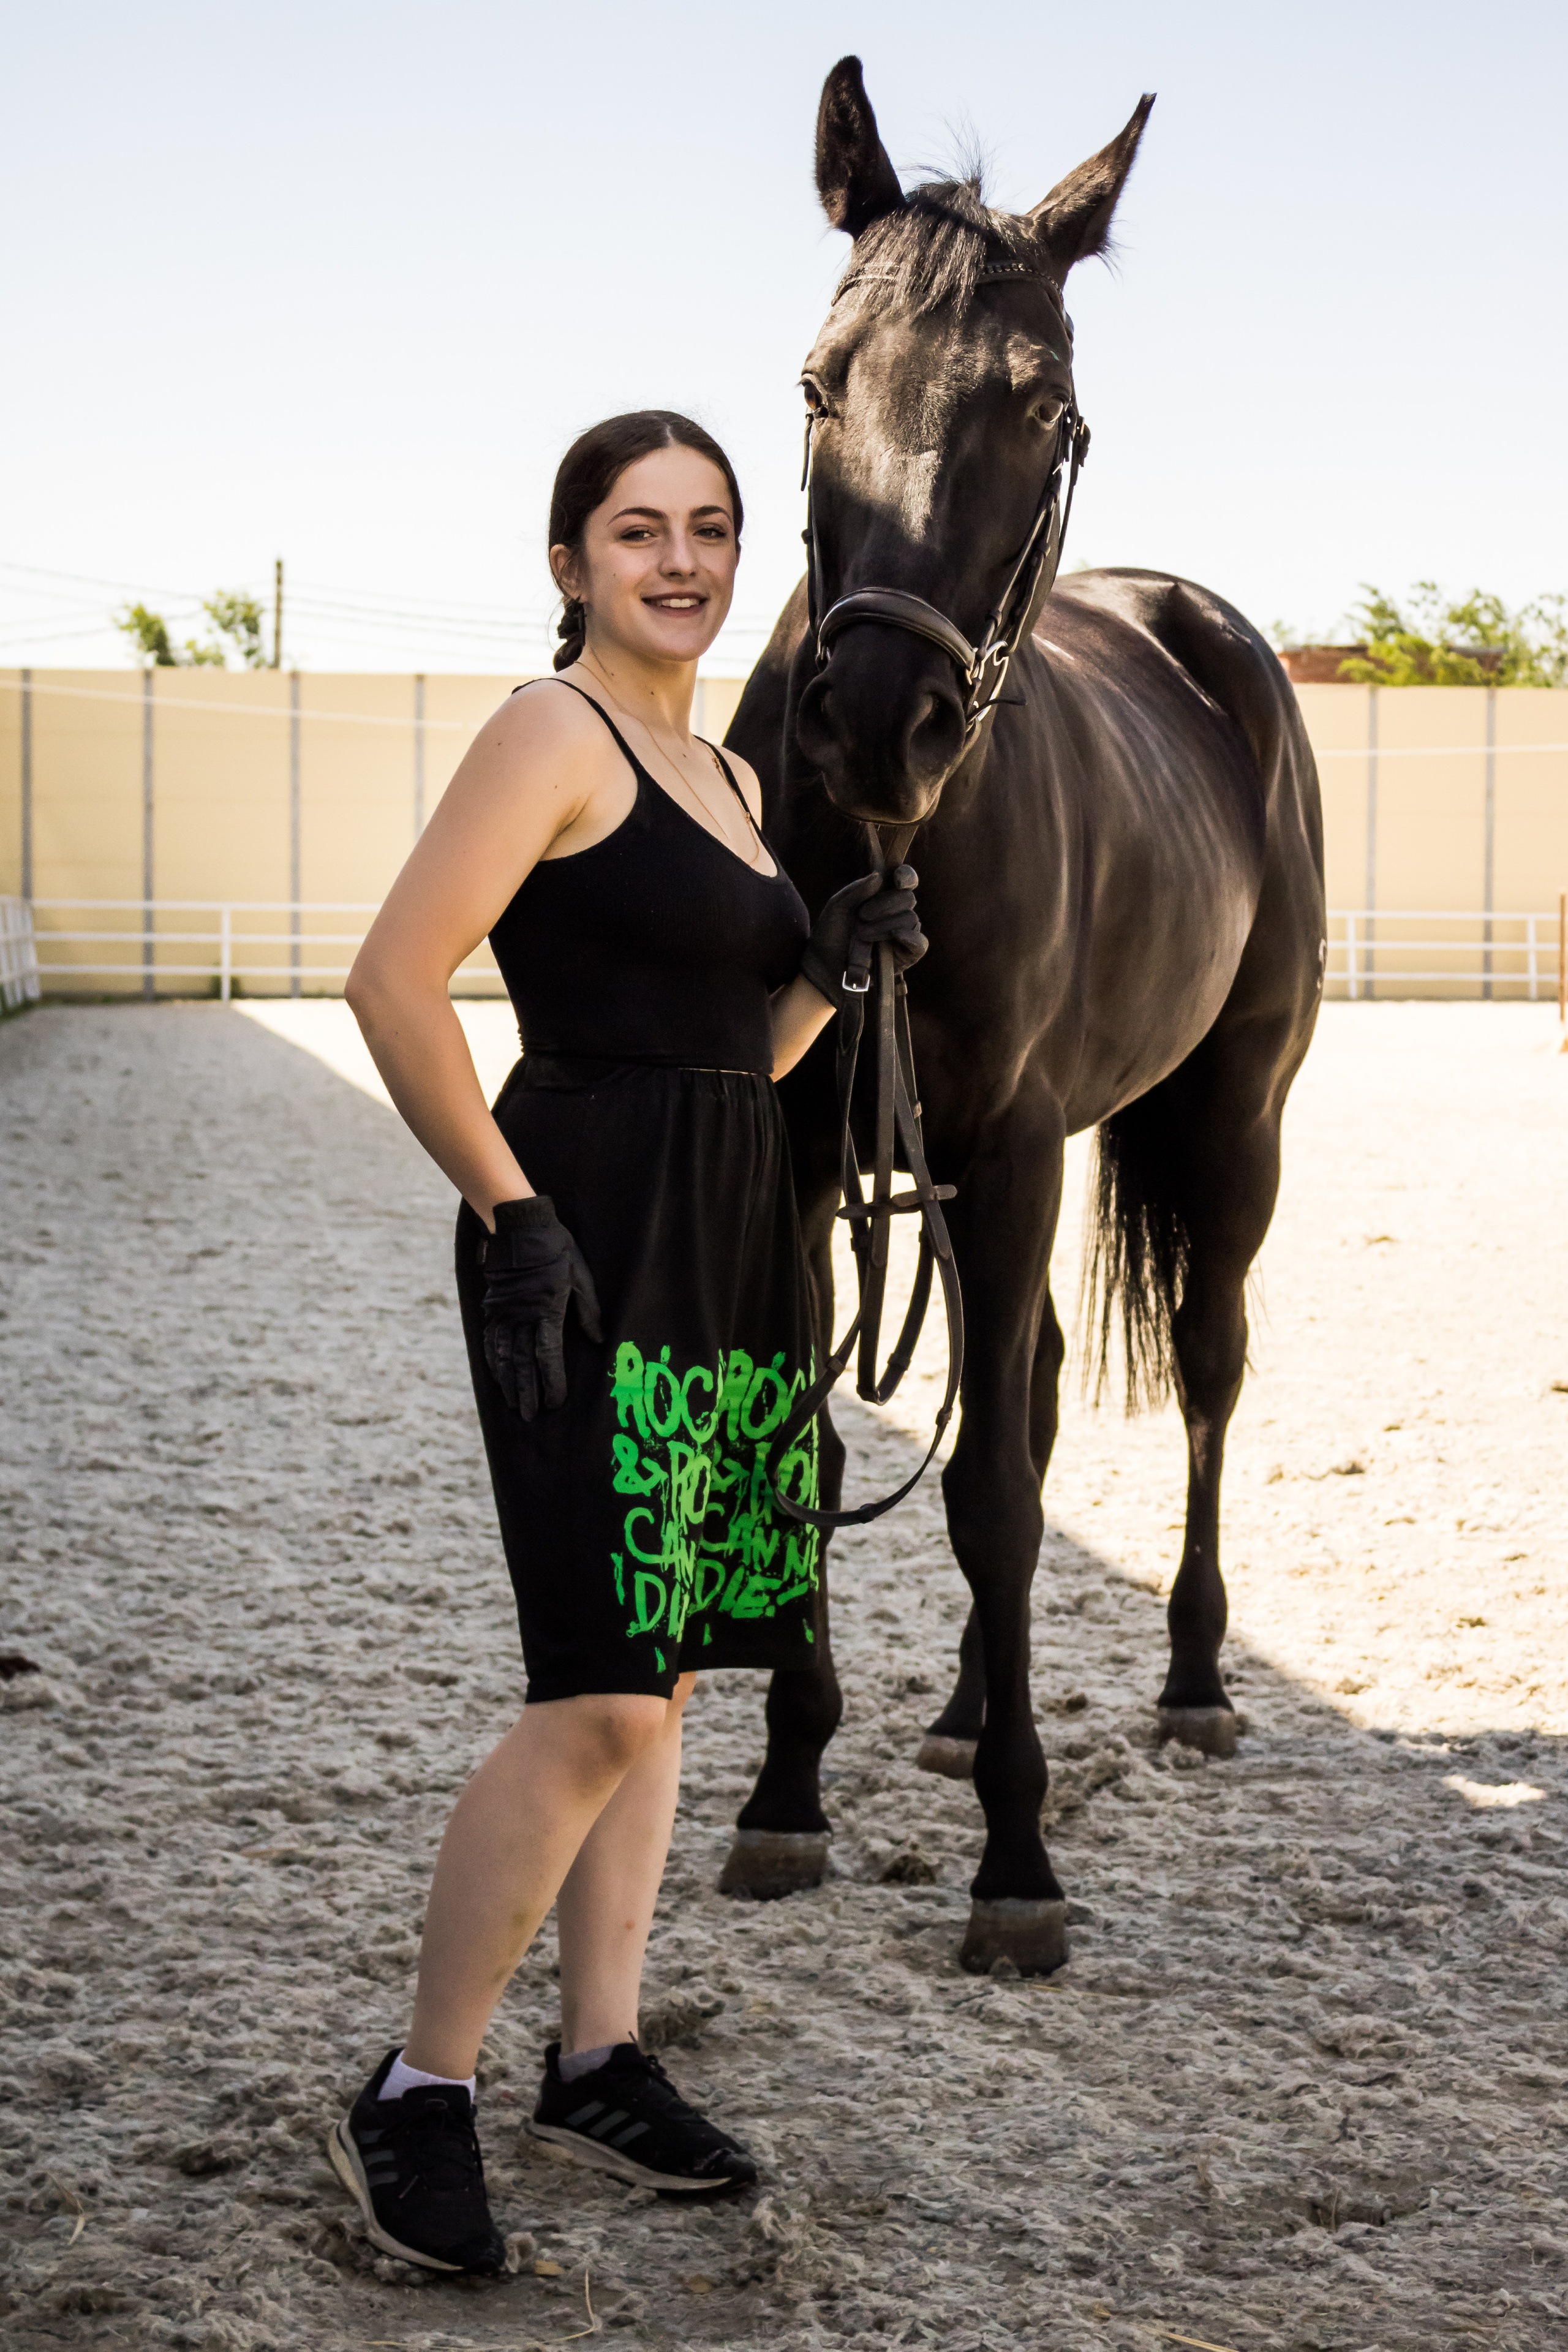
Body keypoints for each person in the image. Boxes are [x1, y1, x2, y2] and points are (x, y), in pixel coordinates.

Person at [329, 410, 926, 2274]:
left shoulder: (729, 774)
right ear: (571, 561)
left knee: (661, 1677)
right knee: (596, 1688)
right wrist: (512, 1217)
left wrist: (825, 969)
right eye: (639, 529)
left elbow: (734, 1058)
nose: (681, 560)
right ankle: (416, 2090)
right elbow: (392, 980)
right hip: (579, 1241)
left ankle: (596, 2058)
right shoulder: (552, 732)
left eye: (711, 528)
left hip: (728, 1246)